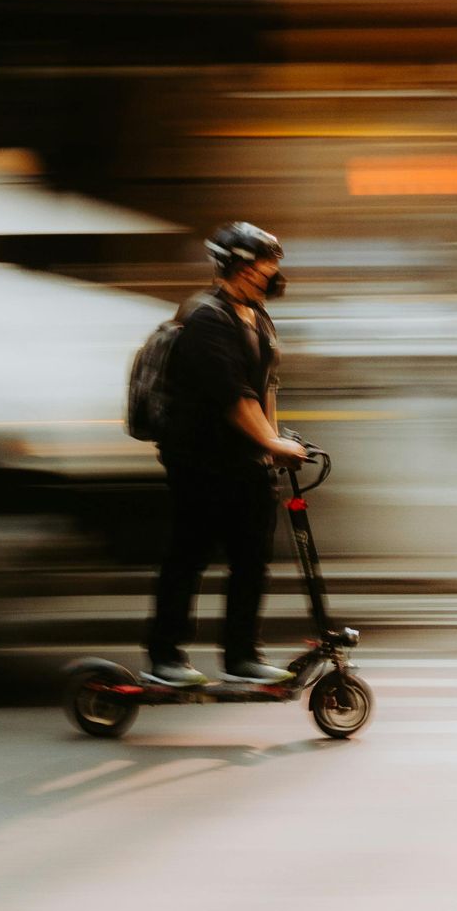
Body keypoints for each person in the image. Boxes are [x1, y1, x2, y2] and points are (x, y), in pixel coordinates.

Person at [146, 222, 305, 686]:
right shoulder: (207, 319)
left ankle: (241, 656)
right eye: (266, 263)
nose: (274, 272)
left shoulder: (257, 316)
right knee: (189, 556)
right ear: (237, 264)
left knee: (252, 561)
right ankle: (165, 657)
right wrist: (270, 442)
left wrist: (272, 445)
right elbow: (233, 398)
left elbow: (263, 388)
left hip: (245, 463)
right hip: (200, 462)